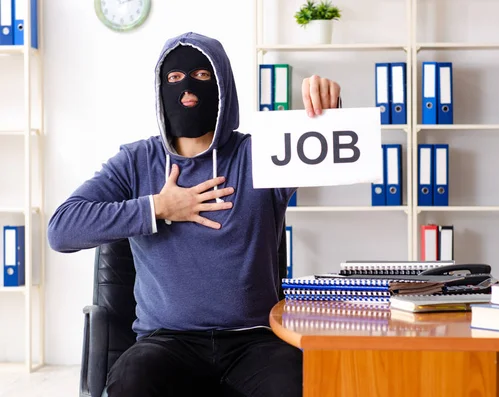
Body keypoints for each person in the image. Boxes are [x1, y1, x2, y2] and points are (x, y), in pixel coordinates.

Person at [47, 32, 341, 396]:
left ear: (222, 86)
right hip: (166, 341)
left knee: (300, 384)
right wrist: (159, 207)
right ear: (161, 89)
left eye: (202, 76)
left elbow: (331, 155)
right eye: (174, 78)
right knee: (131, 382)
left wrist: (327, 112)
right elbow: (61, 230)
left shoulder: (261, 154)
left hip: (252, 341)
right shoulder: (136, 162)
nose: (187, 88)